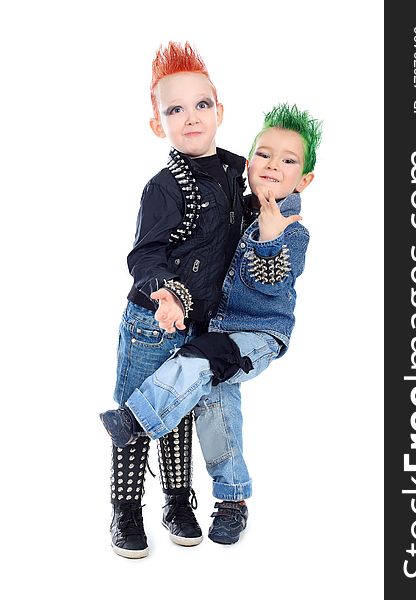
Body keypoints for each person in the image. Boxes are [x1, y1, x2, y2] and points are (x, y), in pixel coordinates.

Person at [101, 103, 323, 545]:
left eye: (288, 160)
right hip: (218, 329)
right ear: (249, 161)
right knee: (218, 411)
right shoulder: (240, 207)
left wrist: (271, 235)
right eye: (264, 154)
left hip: (258, 335)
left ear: (305, 180)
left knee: (198, 359)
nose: (273, 165)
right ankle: (232, 499)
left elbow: (273, 276)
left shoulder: (291, 228)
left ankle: (135, 419)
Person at [107, 41, 248, 559]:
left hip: (199, 324)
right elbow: (145, 255)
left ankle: (177, 501)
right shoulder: (164, 187)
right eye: (174, 109)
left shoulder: (238, 174)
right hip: (152, 320)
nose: (190, 117)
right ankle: (125, 511)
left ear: (220, 110)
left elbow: (256, 223)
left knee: (180, 410)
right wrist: (163, 292)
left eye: (201, 104)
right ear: (156, 125)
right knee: (140, 410)